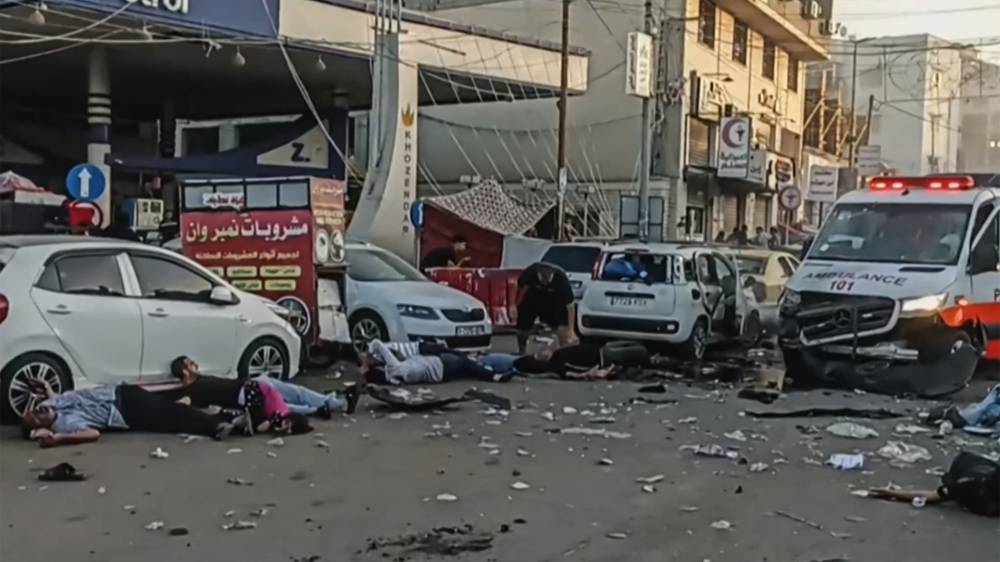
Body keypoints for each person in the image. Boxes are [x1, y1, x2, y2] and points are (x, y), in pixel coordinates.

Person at [21, 381, 239, 448]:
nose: (38, 411)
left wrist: (47, 388)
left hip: (123, 392)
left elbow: (54, 397)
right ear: (43, 428)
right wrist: (59, 439)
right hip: (126, 411)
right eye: (36, 417)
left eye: (33, 410)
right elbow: (92, 434)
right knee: (174, 414)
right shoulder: (64, 425)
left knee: (172, 412)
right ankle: (220, 423)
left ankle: (224, 419)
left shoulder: (52, 404)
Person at [169, 356, 360, 419]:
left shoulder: (200, 382)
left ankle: (329, 405)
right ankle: (335, 404)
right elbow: (183, 404)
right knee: (289, 401)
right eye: (191, 364)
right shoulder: (192, 391)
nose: (195, 365)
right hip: (246, 392)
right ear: (185, 372)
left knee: (291, 398)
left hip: (250, 386)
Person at [361, 340, 513, 385]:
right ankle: (493, 374)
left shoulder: (393, 379)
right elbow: (376, 343)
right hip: (436, 362)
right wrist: (366, 365)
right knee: (464, 360)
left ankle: (488, 371)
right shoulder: (394, 367)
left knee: (466, 367)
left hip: (439, 374)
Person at [516, 262, 577, 354]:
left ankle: (563, 352)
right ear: (538, 274)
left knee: (563, 329)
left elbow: (570, 305)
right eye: (542, 279)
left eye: (547, 280)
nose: (545, 283)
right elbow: (519, 287)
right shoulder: (530, 272)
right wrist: (514, 304)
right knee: (523, 324)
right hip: (534, 297)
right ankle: (522, 350)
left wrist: (571, 329)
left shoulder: (561, 279)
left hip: (555, 301)